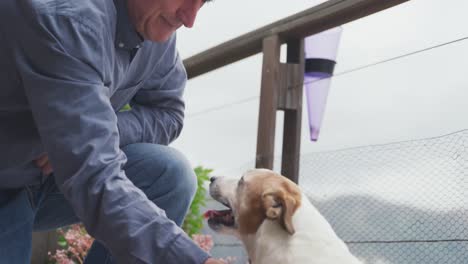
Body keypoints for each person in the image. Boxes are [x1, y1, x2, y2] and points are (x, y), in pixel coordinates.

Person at [0, 0, 224, 263]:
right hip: (8, 178)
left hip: (50, 175)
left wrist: (91, 131)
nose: (190, 18)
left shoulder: (154, 29)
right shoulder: (71, 19)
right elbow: (93, 175)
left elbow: (169, 113)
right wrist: (196, 260)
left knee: (170, 173)